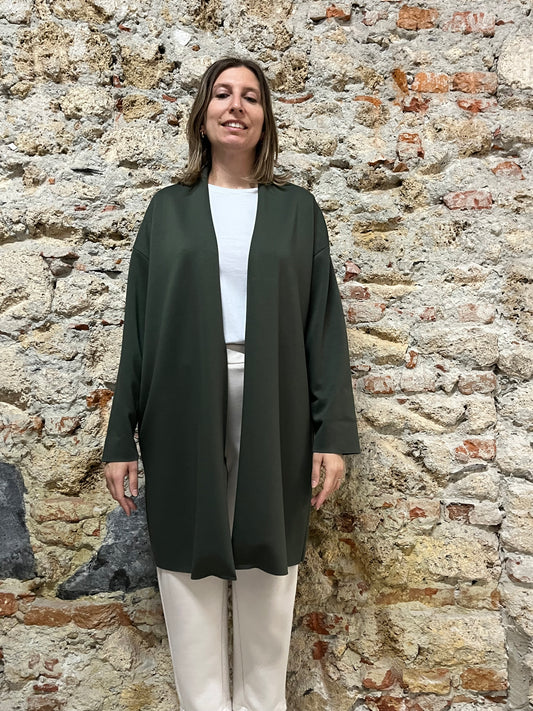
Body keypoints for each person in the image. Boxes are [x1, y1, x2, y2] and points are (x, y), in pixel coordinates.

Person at [102, 56, 360, 711]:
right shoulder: (168, 211)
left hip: (276, 405)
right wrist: (119, 438)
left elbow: (322, 326)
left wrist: (331, 433)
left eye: (250, 96)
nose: (235, 105)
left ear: (265, 117)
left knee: (268, 567)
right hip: (180, 406)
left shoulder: (297, 212)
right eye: (222, 93)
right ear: (203, 114)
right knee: (186, 562)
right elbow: (138, 328)